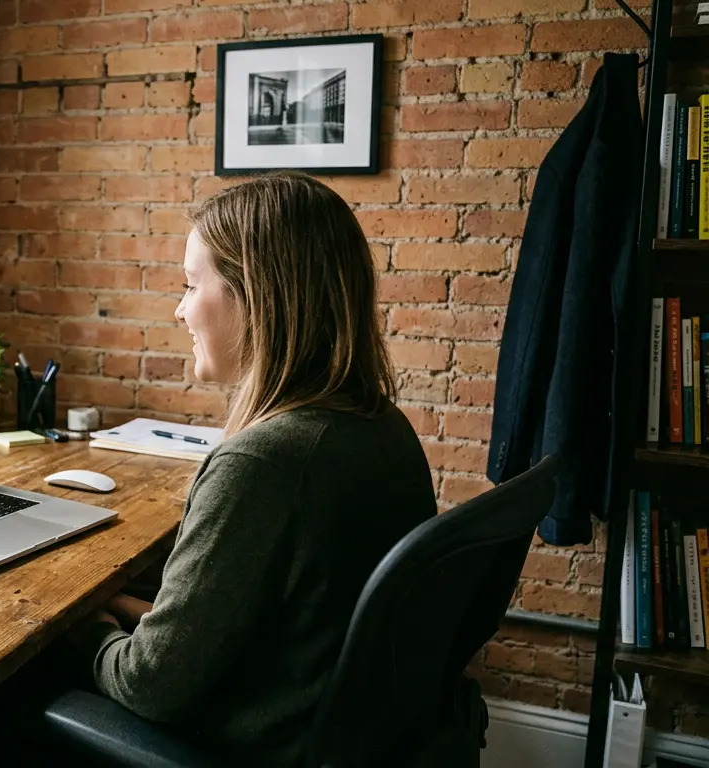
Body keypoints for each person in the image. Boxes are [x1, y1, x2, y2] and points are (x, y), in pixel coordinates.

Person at [67, 172, 438, 764]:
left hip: (252, 745)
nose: (180, 309)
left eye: (191, 285)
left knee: (3, 694)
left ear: (258, 296)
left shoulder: (263, 463)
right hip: (335, 723)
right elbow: (255, 615)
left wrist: (82, 627)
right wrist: (135, 614)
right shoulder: (380, 424)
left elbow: (151, 685)